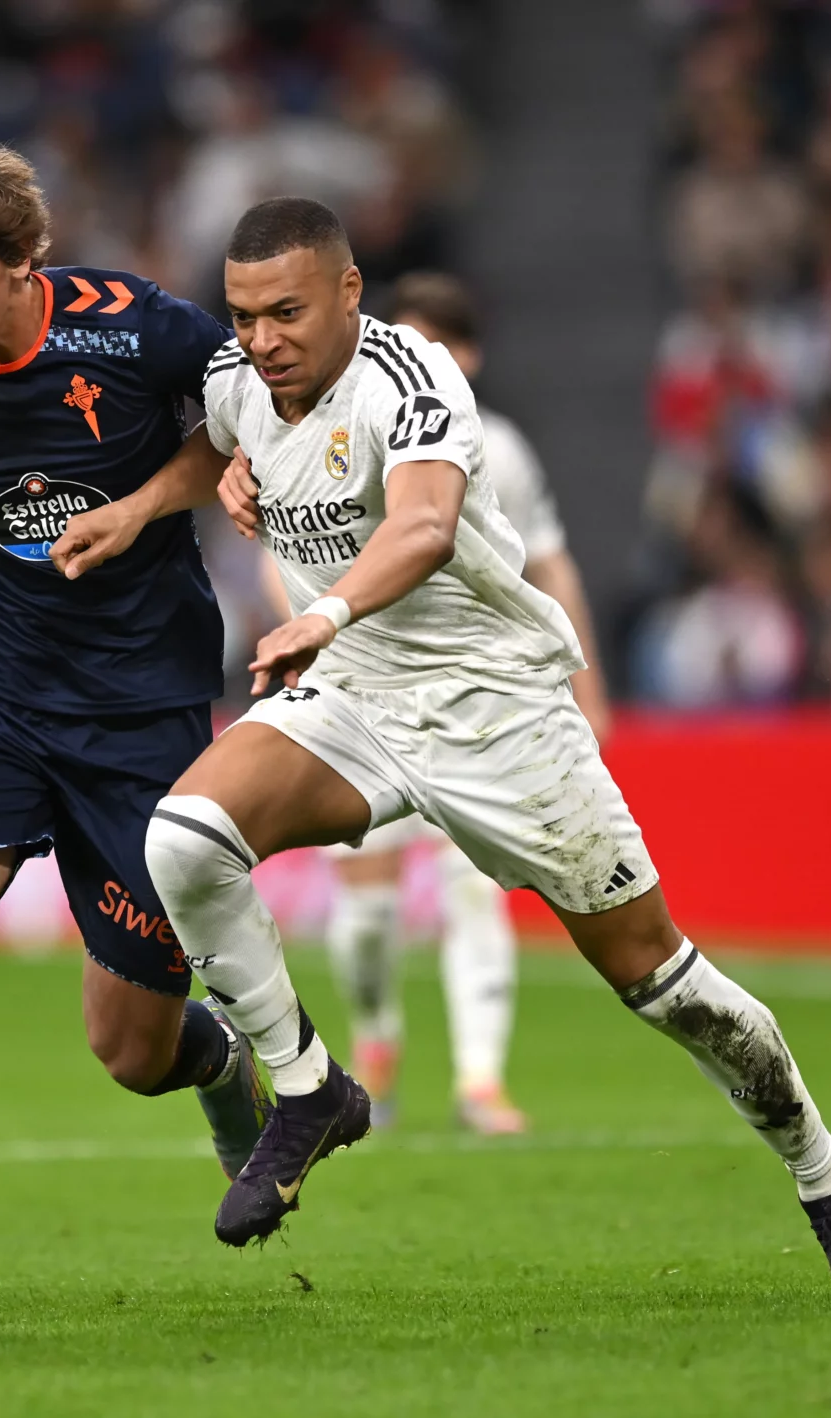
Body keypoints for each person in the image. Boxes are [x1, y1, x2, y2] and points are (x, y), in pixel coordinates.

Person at [50, 198, 831, 1300]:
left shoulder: (412, 379)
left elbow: (421, 525)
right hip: (360, 699)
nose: (261, 337)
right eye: (245, 313)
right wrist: (140, 507)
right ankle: (309, 1086)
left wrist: (325, 613)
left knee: (663, 983)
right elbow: (214, 437)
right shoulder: (239, 380)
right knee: (186, 839)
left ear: (351, 294)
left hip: (497, 710)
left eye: (286, 312)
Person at [0, 136, 265, 1328]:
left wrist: (146, 503)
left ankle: (217, 1057)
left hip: (144, 713)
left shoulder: (136, 330)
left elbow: (246, 416)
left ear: (26, 261)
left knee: (130, 1050)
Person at [310, 272, 613, 1135]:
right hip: (362, 697)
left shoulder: (503, 449)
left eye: (430, 342)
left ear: (466, 355)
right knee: (366, 919)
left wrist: (587, 688)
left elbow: (550, 563)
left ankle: (481, 1079)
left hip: (477, 698)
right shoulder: (337, 428)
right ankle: (375, 1039)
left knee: (476, 891)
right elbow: (288, 554)